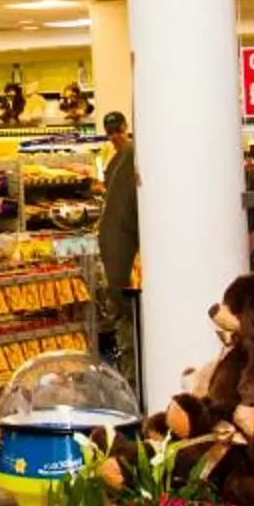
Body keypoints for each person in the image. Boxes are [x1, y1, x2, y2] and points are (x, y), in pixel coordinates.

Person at [94, 112, 139, 376]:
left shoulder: (128, 158)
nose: (115, 137)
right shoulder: (120, 159)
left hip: (124, 271)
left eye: (117, 131)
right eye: (110, 133)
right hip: (126, 273)